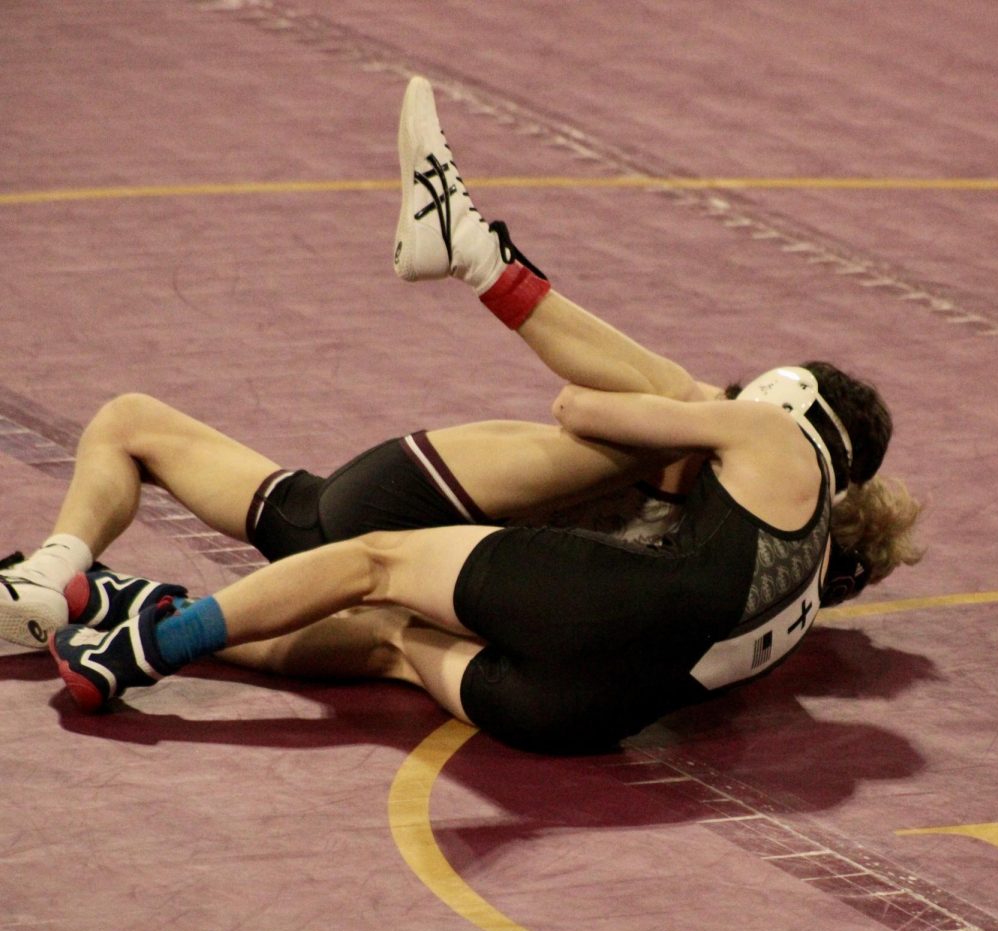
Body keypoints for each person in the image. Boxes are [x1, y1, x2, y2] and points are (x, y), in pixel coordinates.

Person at [40, 77, 922, 752]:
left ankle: (477, 255)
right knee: (386, 633)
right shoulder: (800, 584)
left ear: (789, 398)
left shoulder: (761, 437)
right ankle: (150, 618)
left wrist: (697, 410)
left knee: (655, 406)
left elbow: (584, 404)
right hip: (575, 713)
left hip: (460, 545)